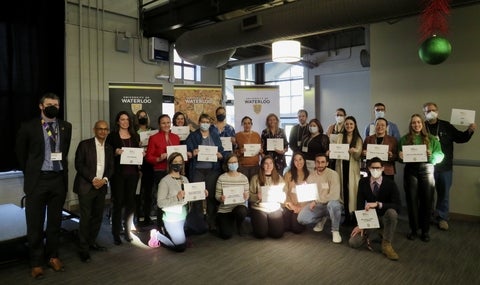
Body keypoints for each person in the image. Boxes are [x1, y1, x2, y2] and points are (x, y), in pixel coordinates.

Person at [15, 92, 72, 279]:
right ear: (41, 106)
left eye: (56, 104)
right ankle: (36, 262)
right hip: (37, 181)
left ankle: (53, 256)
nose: (53, 106)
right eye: (49, 104)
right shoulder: (28, 127)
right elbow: (21, 154)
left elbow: (64, 151)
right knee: (35, 225)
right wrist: (32, 172)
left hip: (58, 180)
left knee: (55, 223)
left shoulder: (65, 127)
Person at [423, 102, 476, 231]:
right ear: (424, 113)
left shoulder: (446, 126)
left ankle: (442, 218)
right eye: (428, 111)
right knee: (426, 194)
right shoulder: (421, 127)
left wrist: (469, 131)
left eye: (433, 110)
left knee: (444, 194)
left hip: (445, 168)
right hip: (426, 167)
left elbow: (460, 138)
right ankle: (427, 216)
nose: (431, 112)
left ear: (438, 111)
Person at [73, 120, 114, 263]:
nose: (103, 131)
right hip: (86, 186)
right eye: (100, 129)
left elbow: (111, 168)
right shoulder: (85, 145)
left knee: (97, 217)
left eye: (105, 129)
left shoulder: (109, 148)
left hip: (101, 187)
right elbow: (78, 164)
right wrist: (94, 179)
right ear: (94, 130)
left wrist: (105, 180)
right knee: (85, 218)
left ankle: (91, 242)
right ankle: (83, 249)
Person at [399, 114, 444, 242]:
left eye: (419, 122)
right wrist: (400, 156)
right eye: (414, 123)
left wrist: (431, 156)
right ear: (410, 125)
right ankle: (413, 229)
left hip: (427, 170)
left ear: (422, 124)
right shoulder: (404, 139)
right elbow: (399, 158)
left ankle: (425, 231)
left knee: (427, 201)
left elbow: (440, 155)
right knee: (412, 201)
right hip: (410, 171)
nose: (416, 125)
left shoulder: (431, 139)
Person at [349, 157, 401, 261]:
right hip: (370, 218)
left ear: (383, 168)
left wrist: (378, 204)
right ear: (368, 168)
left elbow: (397, 206)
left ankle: (386, 244)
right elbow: (359, 204)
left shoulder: (390, 183)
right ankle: (377, 234)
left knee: (392, 213)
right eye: (373, 168)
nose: (375, 170)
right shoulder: (363, 182)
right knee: (353, 243)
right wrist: (360, 224)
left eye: (378, 168)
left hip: (384, 217)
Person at [186, 113, 225, 233]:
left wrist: (220, 155)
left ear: (210, 123)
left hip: (212, 170)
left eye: (207, 122)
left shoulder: (214, 135)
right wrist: (193, 152)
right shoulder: (193, 135)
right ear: (199, 122)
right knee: (197, 197)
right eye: (203, 121)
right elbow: (188, 151)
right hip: (198, 170)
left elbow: (221, 150)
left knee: (211, 197)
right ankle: (198, 224)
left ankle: (211, 222)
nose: (205, 124)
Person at [106, 111, 141, 245]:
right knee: (118, 203)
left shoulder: (134, 135)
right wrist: (115, 152)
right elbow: (107, 154)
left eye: (127, 119)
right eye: (122, 119)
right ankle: (116, 232)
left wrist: (140, 154)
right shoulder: (112, 136)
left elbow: (137, 152)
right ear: (117, 121)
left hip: (132, 174)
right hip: (118, 175)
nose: (125, 122)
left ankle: (127, 230)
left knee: (130, 203)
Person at [148, 152, 190, 252]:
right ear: (170, 164)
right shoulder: (164, 181)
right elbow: (160, 203)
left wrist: (201, 193)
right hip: (172, 217)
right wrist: (177, 198)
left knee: (202, 228)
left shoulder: (185, 179)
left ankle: (178, 234)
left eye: (180, 162)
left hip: (185, 215)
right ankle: (157, 235)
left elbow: (190, 196)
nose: (178, 164)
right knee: (180, 247)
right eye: (175, 162)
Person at [297, 154, 343, 243]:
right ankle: (322, 218)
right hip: (319, 205)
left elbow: (334, 195)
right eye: (318, 162)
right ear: (315, 163)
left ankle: (335, 230)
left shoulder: (333, 174)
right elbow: (308, 194)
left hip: (332, 204)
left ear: (327, 163)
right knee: (301, 218)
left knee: (333, 204)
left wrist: (316, 201)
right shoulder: (311, 176)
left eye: (322, 162)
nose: (320, 165)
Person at [145, 114, 180, 229]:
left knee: (174, 197)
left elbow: (179, 154)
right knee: (162, 199)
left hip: (174, 171)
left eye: (168, 122)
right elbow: (148, 157)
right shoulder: (153, 138)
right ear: (159, 124)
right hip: (160, 171)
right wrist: (159, 159)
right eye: (163, 123)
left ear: (171, 123)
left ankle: (174, 224)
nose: (166, 125)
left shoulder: (176, 137)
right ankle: (161, 225)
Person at [334, 116, 363, 225]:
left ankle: (354, 216)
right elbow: (335, 152)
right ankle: (346, 215)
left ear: (355, 125)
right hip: (342, 167)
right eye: (347, 124)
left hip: (353, 169)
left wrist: (355, 151)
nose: (349, 126)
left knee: (353, 192)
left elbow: (358, 156)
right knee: (344, 192)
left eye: (351, 124)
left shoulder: (358, 139)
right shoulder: (340, 137)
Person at [249, 155, 286, 238]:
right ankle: (263, 224)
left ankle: (268, 223)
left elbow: (284, 193)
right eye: (266, 163)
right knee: (261, 234)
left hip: (274, 207)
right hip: (259, 208)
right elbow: (249, 196)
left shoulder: (279, 178)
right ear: (262, 165)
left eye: (271, 163)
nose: (269, 166)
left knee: (277, 234)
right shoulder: (255, 178)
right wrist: (256, 197)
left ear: (273, 164)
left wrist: (281, 197)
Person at [215, 154, 250, 239]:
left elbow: (247, 195)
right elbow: (217, 195)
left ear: (238, 163)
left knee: (241, 211)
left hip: (239, 207)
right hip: (225, 209)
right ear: (227, 164)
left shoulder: (244, 178)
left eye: (234, 162)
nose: (233, 164)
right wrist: (221, 198)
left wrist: (246, 196)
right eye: (230, 162)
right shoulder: (221, 178)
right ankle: (227, 221)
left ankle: (239, 223)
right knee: (226, 235)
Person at [135, 110, 155, 226]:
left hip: (149, 164)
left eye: (144, 116)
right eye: (140, 116)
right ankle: (138, 215)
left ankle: (147, 215)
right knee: (137, 192)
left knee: (148, 192)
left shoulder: (152, 131)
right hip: (137, 163)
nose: (142, 118)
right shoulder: (133, 132)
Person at [282, 152, 308, 234]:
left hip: (302, 206)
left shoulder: (309, 175)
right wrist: (291, 205)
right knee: (285, 227)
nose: (298, 162)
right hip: (290, 205)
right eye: (295, 160)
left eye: (300, 159)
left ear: (304, 160)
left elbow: (310, 196)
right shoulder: (288, 174)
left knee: (296, 229)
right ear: (293, 162)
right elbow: (284, 191)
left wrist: (301, 207)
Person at [235, 116, 262, 180]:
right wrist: (239, 151)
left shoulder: (257, 135)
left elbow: (261, 149)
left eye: (249, 123)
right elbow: (234, 152)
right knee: (244, 186)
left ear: (251, 124)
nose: (247, 125)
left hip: (255, 166)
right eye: (245, 123)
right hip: (242, 166)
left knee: (254, 185)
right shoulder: (237, 135)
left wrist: (261, 151)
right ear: (242, 124)